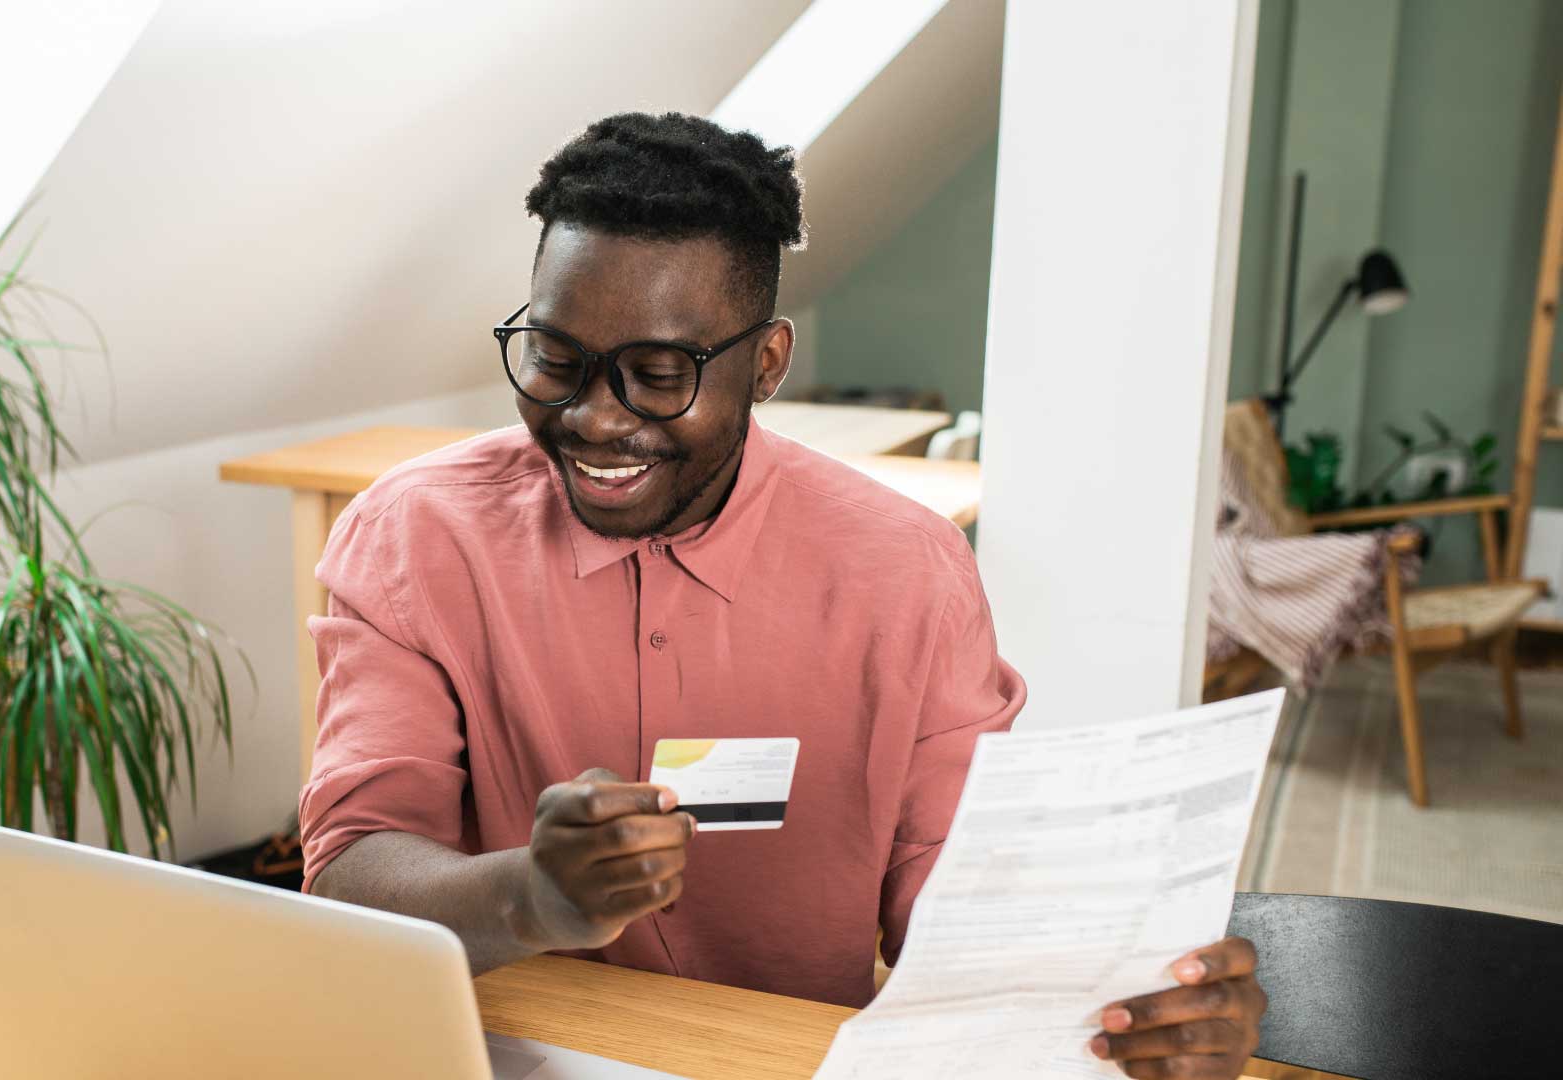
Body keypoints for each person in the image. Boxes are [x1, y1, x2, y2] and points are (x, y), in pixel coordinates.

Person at [301, 112, 1266, 1078]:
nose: (593, 417)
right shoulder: (415, 535)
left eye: (657, 375)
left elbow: (955, 903)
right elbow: (350, 871)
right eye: (555, 359)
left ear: (765, 365)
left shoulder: (908, 570)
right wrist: (533, 897)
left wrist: (1139, 1001)